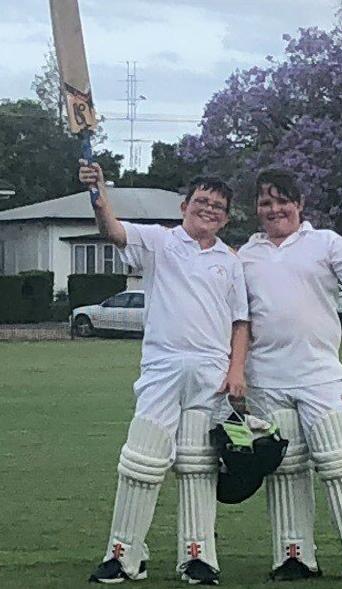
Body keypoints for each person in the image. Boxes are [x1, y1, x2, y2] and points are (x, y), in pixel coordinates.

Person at [79, 162, 249, 585]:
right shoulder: (159, 241)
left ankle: (198, 557)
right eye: (202, 202)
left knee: (198, 465)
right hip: (162, 368)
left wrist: (237, 371)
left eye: (218, 206)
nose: (208, 210)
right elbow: (113, 231)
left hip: (210, 374)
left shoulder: (230, 261)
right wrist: (98, 192)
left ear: (226, 217)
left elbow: (240, 323)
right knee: (141, 461)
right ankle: (123, 555)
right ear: (184, 205)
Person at [238, 168, 342, 583]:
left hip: (320, 375)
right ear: (257, 208)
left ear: (300, 204)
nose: (275, 209)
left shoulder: (324, 242)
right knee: (287, 467)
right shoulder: (245, 256)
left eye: (282, 200)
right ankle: (293, 555)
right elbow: (238, 321)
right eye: (266, 201)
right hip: (266, 379)